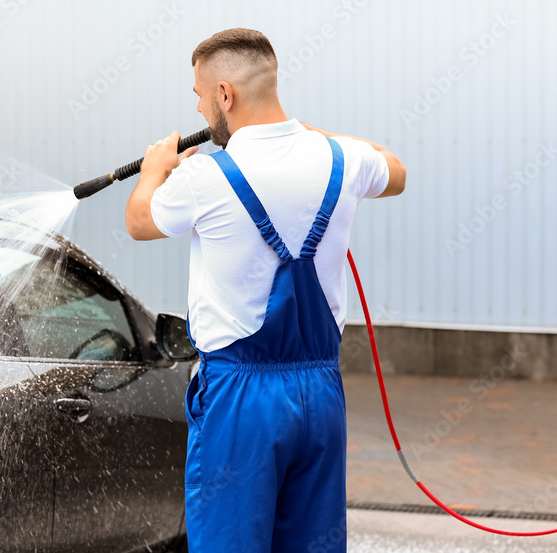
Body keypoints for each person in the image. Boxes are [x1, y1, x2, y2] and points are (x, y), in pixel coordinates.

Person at [125, 28, 406, 552]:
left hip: (240, 400)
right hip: (320, 396)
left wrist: (152, 171)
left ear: (224, 95)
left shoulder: (204, 176)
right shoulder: (344, 160)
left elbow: (140, 221)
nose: (203, 112)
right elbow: (396, 171)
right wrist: (310, 135)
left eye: (201, 97)